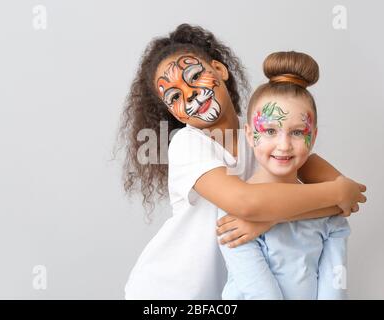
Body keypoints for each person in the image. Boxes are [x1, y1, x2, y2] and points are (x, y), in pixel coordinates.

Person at [119, 24, 366, 299]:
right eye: (175, 96)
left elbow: (346, 199)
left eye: (194, 75)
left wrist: (265, 221)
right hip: (168, 293)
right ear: (172, 111)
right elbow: (246, 203)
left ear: (219, 69)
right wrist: (331, 195)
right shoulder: (187, 144)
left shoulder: (263, 133)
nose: (189, 95)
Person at [218, 51, 351, 300]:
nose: (284, 145)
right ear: (249, 134)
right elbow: (260, 293)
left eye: (298, 132)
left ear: (314, 136)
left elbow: (334, 288)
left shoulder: (329, 211)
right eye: (269, 130)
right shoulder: (233, 212)